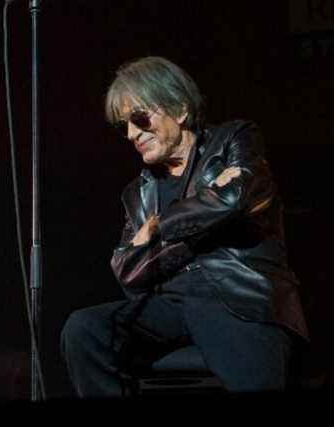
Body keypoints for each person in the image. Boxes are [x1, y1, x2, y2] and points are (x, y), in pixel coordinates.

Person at [60, 56, 309, 397]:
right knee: (84, 329)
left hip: (239, 297)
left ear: (177, 109)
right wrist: (208, 205)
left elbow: (235, 199)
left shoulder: (233, 139)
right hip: (170, 307)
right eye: (124, 126)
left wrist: (158, 230)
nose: (132, 134)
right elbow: (127, 272)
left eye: (139, 118)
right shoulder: (138, 192)